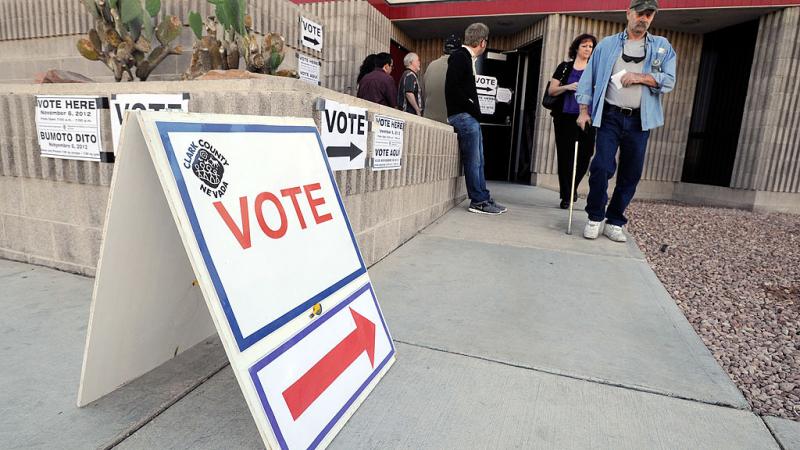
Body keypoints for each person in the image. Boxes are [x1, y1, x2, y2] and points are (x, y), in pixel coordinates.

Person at [576, 0, 675, 242]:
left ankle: (615, 221)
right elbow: (588, 78)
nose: (644, 18)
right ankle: (595, 216)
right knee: (601, 166)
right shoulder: (608, 45)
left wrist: (640, 77)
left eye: (649, 15)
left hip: (640, 120)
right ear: (628, 13)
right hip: (610, 115)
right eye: (640, 13)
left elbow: (669, 81)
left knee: (631, 172)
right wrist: (583, 110)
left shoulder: (662, 46)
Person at [445, 23, 507, 215]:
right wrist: (473, 106)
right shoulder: (459, 57)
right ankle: (478, 201)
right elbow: (452, 89)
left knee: (479, 160)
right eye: (486, 41)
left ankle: (483, 197)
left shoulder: (465, 58)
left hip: (468, 117)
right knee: (473, 160)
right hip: (463, 117)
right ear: (482, 42)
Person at [549, 34, 597, 210]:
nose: (587, 49)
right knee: (566, 157)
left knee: (585, 155)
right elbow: (552, 90)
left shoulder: (595, 69)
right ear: (576, 48)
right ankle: (566, 196)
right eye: (584, 46)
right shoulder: (565, 67)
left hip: (588, 117)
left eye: (590, 46)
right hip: (565, 117)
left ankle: (572, 188)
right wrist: (567, 87)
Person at [424, 34, 460, 124]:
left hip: (428, 120)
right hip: (449, 124)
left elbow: (425, 91)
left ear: (444, 49)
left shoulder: (431, 65)